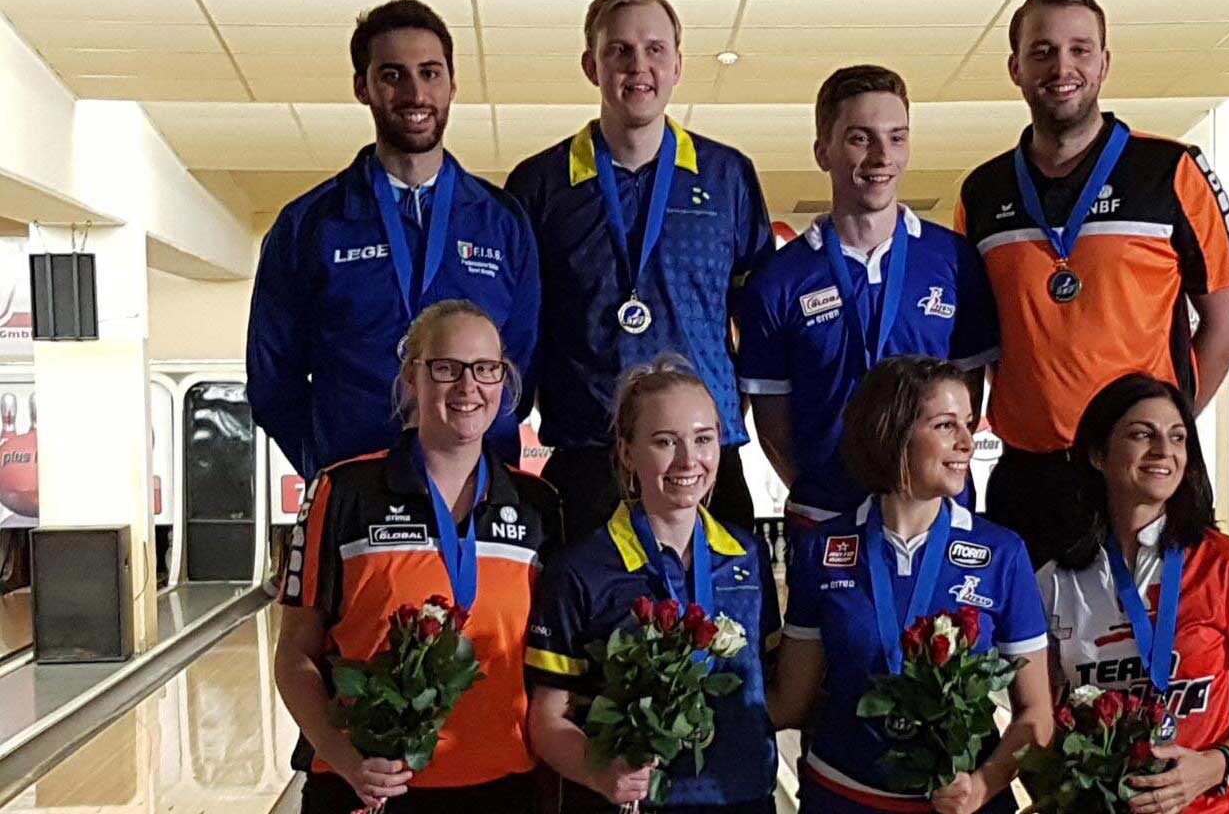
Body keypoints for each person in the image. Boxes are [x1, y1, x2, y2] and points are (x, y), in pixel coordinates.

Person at [952, 0, 1229, 565]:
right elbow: (975, 345)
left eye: (1080, 50)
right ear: (1015, 67)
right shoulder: (983, 191)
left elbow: (1226, 322)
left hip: (1141, 474)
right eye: (1042, 51)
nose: (1062, 67)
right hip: (1029, 471)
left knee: (1161, 648)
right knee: (1026, 653)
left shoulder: (1170, 171)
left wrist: (1166, 427)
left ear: (1105, 63)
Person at [504, 0, 773, 539]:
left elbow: (759, 317)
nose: (638, 66)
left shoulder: (727, 177)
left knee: (725, 624)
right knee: (586, 624)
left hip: (703, 457)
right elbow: (520, 331)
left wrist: (727, 410)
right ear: (590, 65)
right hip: (588, 452)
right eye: (619, 50)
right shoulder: (541, 183)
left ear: (677, 63)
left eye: (654, 49)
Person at [274, 299, 561, 814]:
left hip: (502, 786)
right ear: (412, 377)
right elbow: (296, 652)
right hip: (368, 786)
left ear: (504, 380)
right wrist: (346, 759)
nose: (468, 387)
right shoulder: (342, 492)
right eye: (446, 368)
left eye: (486, 369)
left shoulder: (538, 506)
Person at [248, 0, 539, 481]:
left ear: (452, 84)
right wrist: (330, 464)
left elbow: (521, 369)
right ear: (363, 87)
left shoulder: (502, 222)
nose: (415, 93)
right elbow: (272, 379)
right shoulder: (310, 225)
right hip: (355, 483)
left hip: (478, 490)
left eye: (430, 73)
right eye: (392, 75)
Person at [770, 356, 1052, 814]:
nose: (967, 442)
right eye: (946, 426)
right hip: (844, 798)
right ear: (893, 431)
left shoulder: (1002, 552)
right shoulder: (822, 548)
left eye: (967, 424)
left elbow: (1036, 715)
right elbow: (791, 702)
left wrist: (982, 785)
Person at [737, 65, 998, 529]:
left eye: (896, 137)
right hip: (826, 517)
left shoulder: (953, 261)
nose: (882, 156)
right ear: (823, 151)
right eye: (861, 139)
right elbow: (774, 427)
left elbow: (967, 396)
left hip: (939, 516)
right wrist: (824, 490)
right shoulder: (778, 280)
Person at [1036, 373, 1229, 814]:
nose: (1164, 451)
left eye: (1177, 438)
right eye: (1142, 434)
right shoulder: (1055, 578)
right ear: (1098, 454)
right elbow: (1040, 720)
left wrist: (1217, 765)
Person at [525, 356, 780, 813]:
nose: (689, 460)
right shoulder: (581, 570)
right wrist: (598, 772)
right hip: (633, 804)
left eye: (704, 439)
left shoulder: (748, 556)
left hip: (742, 796)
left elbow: (772, 691)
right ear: (626, 451)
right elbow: (546, 721)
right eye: (665, 441)